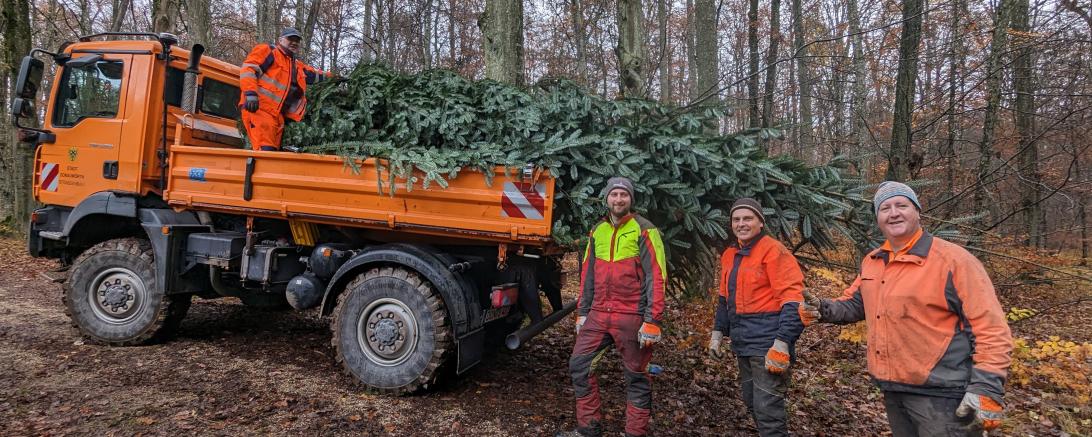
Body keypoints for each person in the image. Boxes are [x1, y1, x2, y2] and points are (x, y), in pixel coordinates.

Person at [799, 181, 1013, 436]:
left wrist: (986, 387)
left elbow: (991, 327)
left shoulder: (953, 261)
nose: (894, 213)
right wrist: (821, 309)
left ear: (917, 211)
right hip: (894, 389)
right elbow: (857, 304)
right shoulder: (874, 261)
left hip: (944, 395)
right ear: (878, 218)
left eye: (902, 205)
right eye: (885, 208)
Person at [560, 176, 667, 437]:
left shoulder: (645, 230)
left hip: (631, 316)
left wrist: (652, 320)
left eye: (624, 195)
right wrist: (583, 312)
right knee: (579, 366)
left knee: (637, 377)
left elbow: (657, 275)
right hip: (597, 314)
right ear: (607, 198)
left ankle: (634, 433)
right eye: (614, 195)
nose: (619, 199)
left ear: (631, 199)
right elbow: (587, 275)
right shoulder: (598, 231)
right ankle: (588, 429)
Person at [707, 198, 806, 437]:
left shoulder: (774, 251)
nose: (742, 224)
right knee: (752, 402)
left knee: (767, 411)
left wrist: (782, 343)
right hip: (743, 343)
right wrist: (717, 334)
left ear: (760, 222)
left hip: (768, 344)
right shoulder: (731, 255)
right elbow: (724, 300)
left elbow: (794, 301)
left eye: (748, 218)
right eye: (736, 219)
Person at [238, 27, 332, 151]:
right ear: (281, 40)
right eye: (290, 39)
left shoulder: (296, 65)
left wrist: (335, 77)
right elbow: (248, 69)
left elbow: (315, 74)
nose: (294, 42)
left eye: (297, 40)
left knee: (273, 154)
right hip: (260, 109)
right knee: (265, 151)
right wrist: (251, 94)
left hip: (278, 116)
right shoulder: (269, 51)